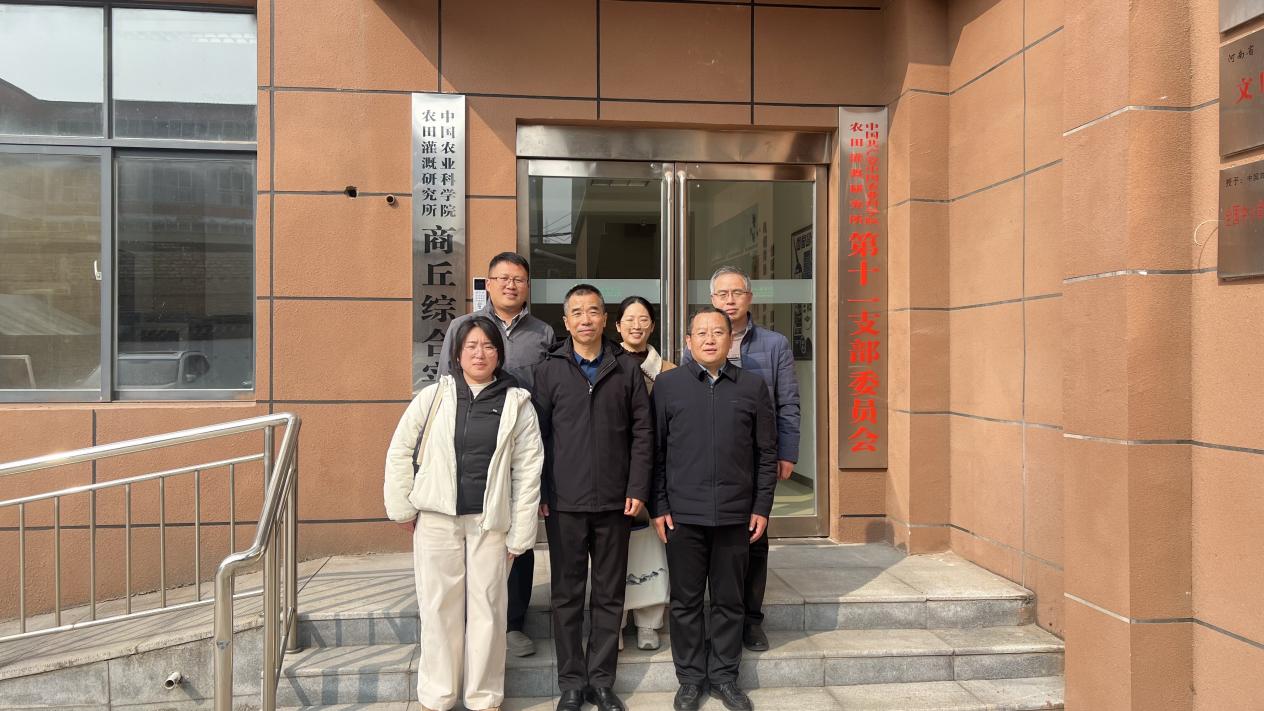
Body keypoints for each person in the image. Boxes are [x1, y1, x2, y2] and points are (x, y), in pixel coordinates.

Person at [384, 316, 543, 711]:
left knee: (488, 610)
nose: (479, 353)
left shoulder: (517, 403)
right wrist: (402, 506)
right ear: (457, 353)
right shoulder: (433, 397)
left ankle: (484, 697)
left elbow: (528, 471)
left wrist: (522, 533)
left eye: (488, 346)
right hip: (437, 518)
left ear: (499, 354)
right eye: (471, 346)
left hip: (490, 522)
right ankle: (437, 696)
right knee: (439, 607)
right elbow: (401, 448)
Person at [533, 284, 654, 711]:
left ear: (606, 320)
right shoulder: (548, 370)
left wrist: (637, 488)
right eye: (577, 312)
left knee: (609, 594)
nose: (585, 319)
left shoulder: (625, 369)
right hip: (563, 502)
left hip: (614, 502)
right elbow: (536, 438)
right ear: (566, 322)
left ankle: (602, 681)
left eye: (593, 311)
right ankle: (571, 682)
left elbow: (643, 433)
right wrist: (541, 490)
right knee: (566, 595)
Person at [651, 307, 778, 711]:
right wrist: (659, 505)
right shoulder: (667, 386)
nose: (709, 339)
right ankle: (690, 679)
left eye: (718, 332)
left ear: (730, 339)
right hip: (682, 515)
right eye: (701, 333)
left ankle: (724, 677)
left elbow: (766, 453)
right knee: (686, 602)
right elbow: (655, 452)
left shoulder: (752, 387)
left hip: (735, 514)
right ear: (688, 342)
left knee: (729, 601)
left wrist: (761, 506)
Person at [437, 251, 554, 658]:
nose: (510, 285)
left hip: (520, 446)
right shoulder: (462, 327)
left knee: (516, 535)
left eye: (518, 279)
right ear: (487, 284)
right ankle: (466, 622)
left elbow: (548, 397)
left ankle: (513, 622)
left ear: (527, 286)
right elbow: (445, 390)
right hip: (472, 448)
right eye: (502, 278)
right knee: (467, 537)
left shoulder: (543, 333)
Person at [706, 266, 800, 652]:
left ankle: (751, 620)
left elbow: (788, 401)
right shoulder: (701, 337)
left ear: (749, 297)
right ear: (712, 299)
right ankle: (718, 614)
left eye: (737, 293)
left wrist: (787, 451)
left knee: (755, 537)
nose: (729, 300)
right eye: (722, 294)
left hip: (758, 453)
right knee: (715, 540)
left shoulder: (774, 344)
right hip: (714, 454)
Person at [613, 295, 676, 652]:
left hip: (658, 469)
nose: (636, 326)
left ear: (652, 326)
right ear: (617, 325)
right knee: (614, 550)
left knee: (653, 546)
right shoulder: (606, 365)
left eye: (643, 319)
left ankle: (650, 621)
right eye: (629, 319)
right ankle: (616, 621)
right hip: (616, 469)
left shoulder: (669, 371)